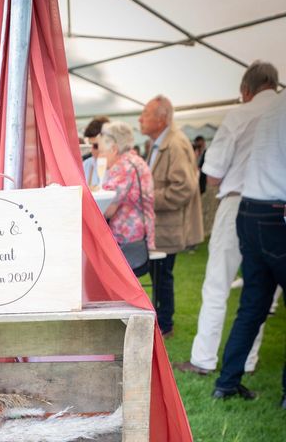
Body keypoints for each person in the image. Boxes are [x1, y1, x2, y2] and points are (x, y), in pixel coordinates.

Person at [176, 61, 279, 376]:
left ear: (245, 90)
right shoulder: (281, 112)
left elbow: (215, 174)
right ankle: (248, 360)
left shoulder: (240, 114)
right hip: (276, 210)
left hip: (238, 204)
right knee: (259, 289)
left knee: (217, 283)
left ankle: (204, 359)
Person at [213, 90, 286, 407]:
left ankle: (226, 384)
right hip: (276, 212)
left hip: (251, 209)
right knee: (254, 304)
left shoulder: (273, 108)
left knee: (253, 305)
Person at [140, 95, 203, 338]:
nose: (140, 119)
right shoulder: (160, 143)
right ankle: (161, 319)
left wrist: (148, 197)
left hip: (169, 224)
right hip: (162, 224)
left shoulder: (175, 143)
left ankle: (165, 323)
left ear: (161, 118)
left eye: (145, 113)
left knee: (162, 274)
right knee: (159, 274)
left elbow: (183, 188)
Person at [99, 121, 155, 254]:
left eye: (102, 152)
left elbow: (107, 209)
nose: (101, 157)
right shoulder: (136, 161)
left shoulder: (122, 167)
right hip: (141, 236)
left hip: (127, 239)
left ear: (114, 149)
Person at [82, 116, 110, 187]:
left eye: (96, 146)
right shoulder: (86, 165)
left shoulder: (118, 168)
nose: (92, 150)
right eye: (90, 145)